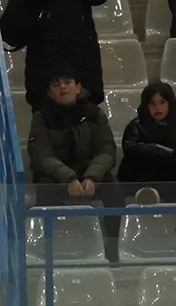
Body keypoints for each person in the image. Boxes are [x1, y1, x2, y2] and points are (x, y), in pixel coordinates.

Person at [26, 68, 118, 207]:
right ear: (50, 93)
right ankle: (48, 229)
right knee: (46, 188)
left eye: (67, 82)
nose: (62, 87)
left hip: (89, 172)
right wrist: (69, 178)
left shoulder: (94, 113)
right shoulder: (42, 117)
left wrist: (92, 177)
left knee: (113, 186)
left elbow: (106, 150)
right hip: (56, 177)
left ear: (78, 88)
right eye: (56, 85)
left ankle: (115, 229)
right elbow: (42, 156)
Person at [117, 80, 176, 195]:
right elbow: (131, 149)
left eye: (162, 102)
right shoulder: (136, 125)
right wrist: (156, 149)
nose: (157, 108)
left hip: (171, 173)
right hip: (143, 173)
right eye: (152, 103)